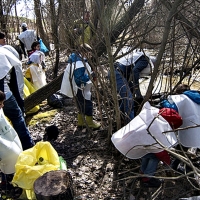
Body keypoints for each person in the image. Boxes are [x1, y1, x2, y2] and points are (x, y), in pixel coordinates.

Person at [0, 44, 35, 150]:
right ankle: (26, 145)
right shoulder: (6, 58)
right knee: (17, 117)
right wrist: (21, 105)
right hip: (5, 94)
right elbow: (17, 86)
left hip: (3, 93)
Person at [60, 44, 101, 129]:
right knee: (87, 104)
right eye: (88, 53)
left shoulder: (77, 60)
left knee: (81, 104)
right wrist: (91, 75)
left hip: (79, 88)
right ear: (83, 52)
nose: (89, 55)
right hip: (80, 88)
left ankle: (81, 122)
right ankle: (89, 122)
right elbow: (79, 79)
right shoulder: (78, 63)